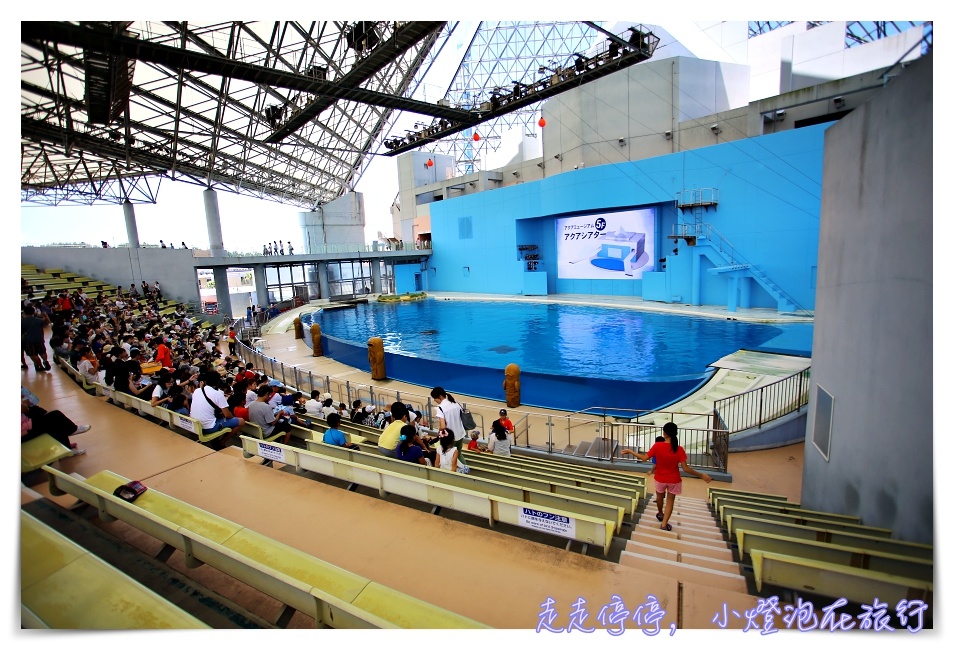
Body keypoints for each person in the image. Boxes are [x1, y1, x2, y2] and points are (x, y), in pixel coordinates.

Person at [620, 423, 711, 531]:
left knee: (659, 497)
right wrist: (702, 475)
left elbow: (644, 458)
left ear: (665, 433)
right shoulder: (679, 449)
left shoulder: (657, 446)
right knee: (670, 501)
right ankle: (664, 524)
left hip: (660, 479)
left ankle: (660, 513)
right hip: (674, 480)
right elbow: (686, 469)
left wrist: (630, 451)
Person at [21, 391, 90, 456]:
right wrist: (24, 406)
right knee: (55, 416)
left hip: (25, 424)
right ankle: (72, 430)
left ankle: (65, 445)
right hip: (24, 430)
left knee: (38, 410)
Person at [190, 372, 245, 446]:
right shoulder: (218, 394)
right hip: (208, 427)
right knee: (241, 421)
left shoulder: (197, 391)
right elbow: (227, 415)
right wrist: (233, 418)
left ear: (205, 381)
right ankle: (221, 442)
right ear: (218, 382)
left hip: (194, 425)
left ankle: (217, 439)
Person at [430, 387, 465, 455]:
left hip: (450, 437)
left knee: (450, 456)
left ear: (440, 396)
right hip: (460, 433)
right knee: (459, 455)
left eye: (435, 398)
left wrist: (439, 433)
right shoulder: (456, 402)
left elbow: (442, 426)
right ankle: (464, 466)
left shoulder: (440, 408)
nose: (434, 400)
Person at [22, 305, 52, 372]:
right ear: (33, 312)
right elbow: (47, 323)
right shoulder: (38, 320)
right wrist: (45, 316)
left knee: (33, 354)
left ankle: (40, 366)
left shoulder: (22, 321)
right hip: (39, 338)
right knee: (42, 351)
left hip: (29, 340)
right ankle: (45, 361)